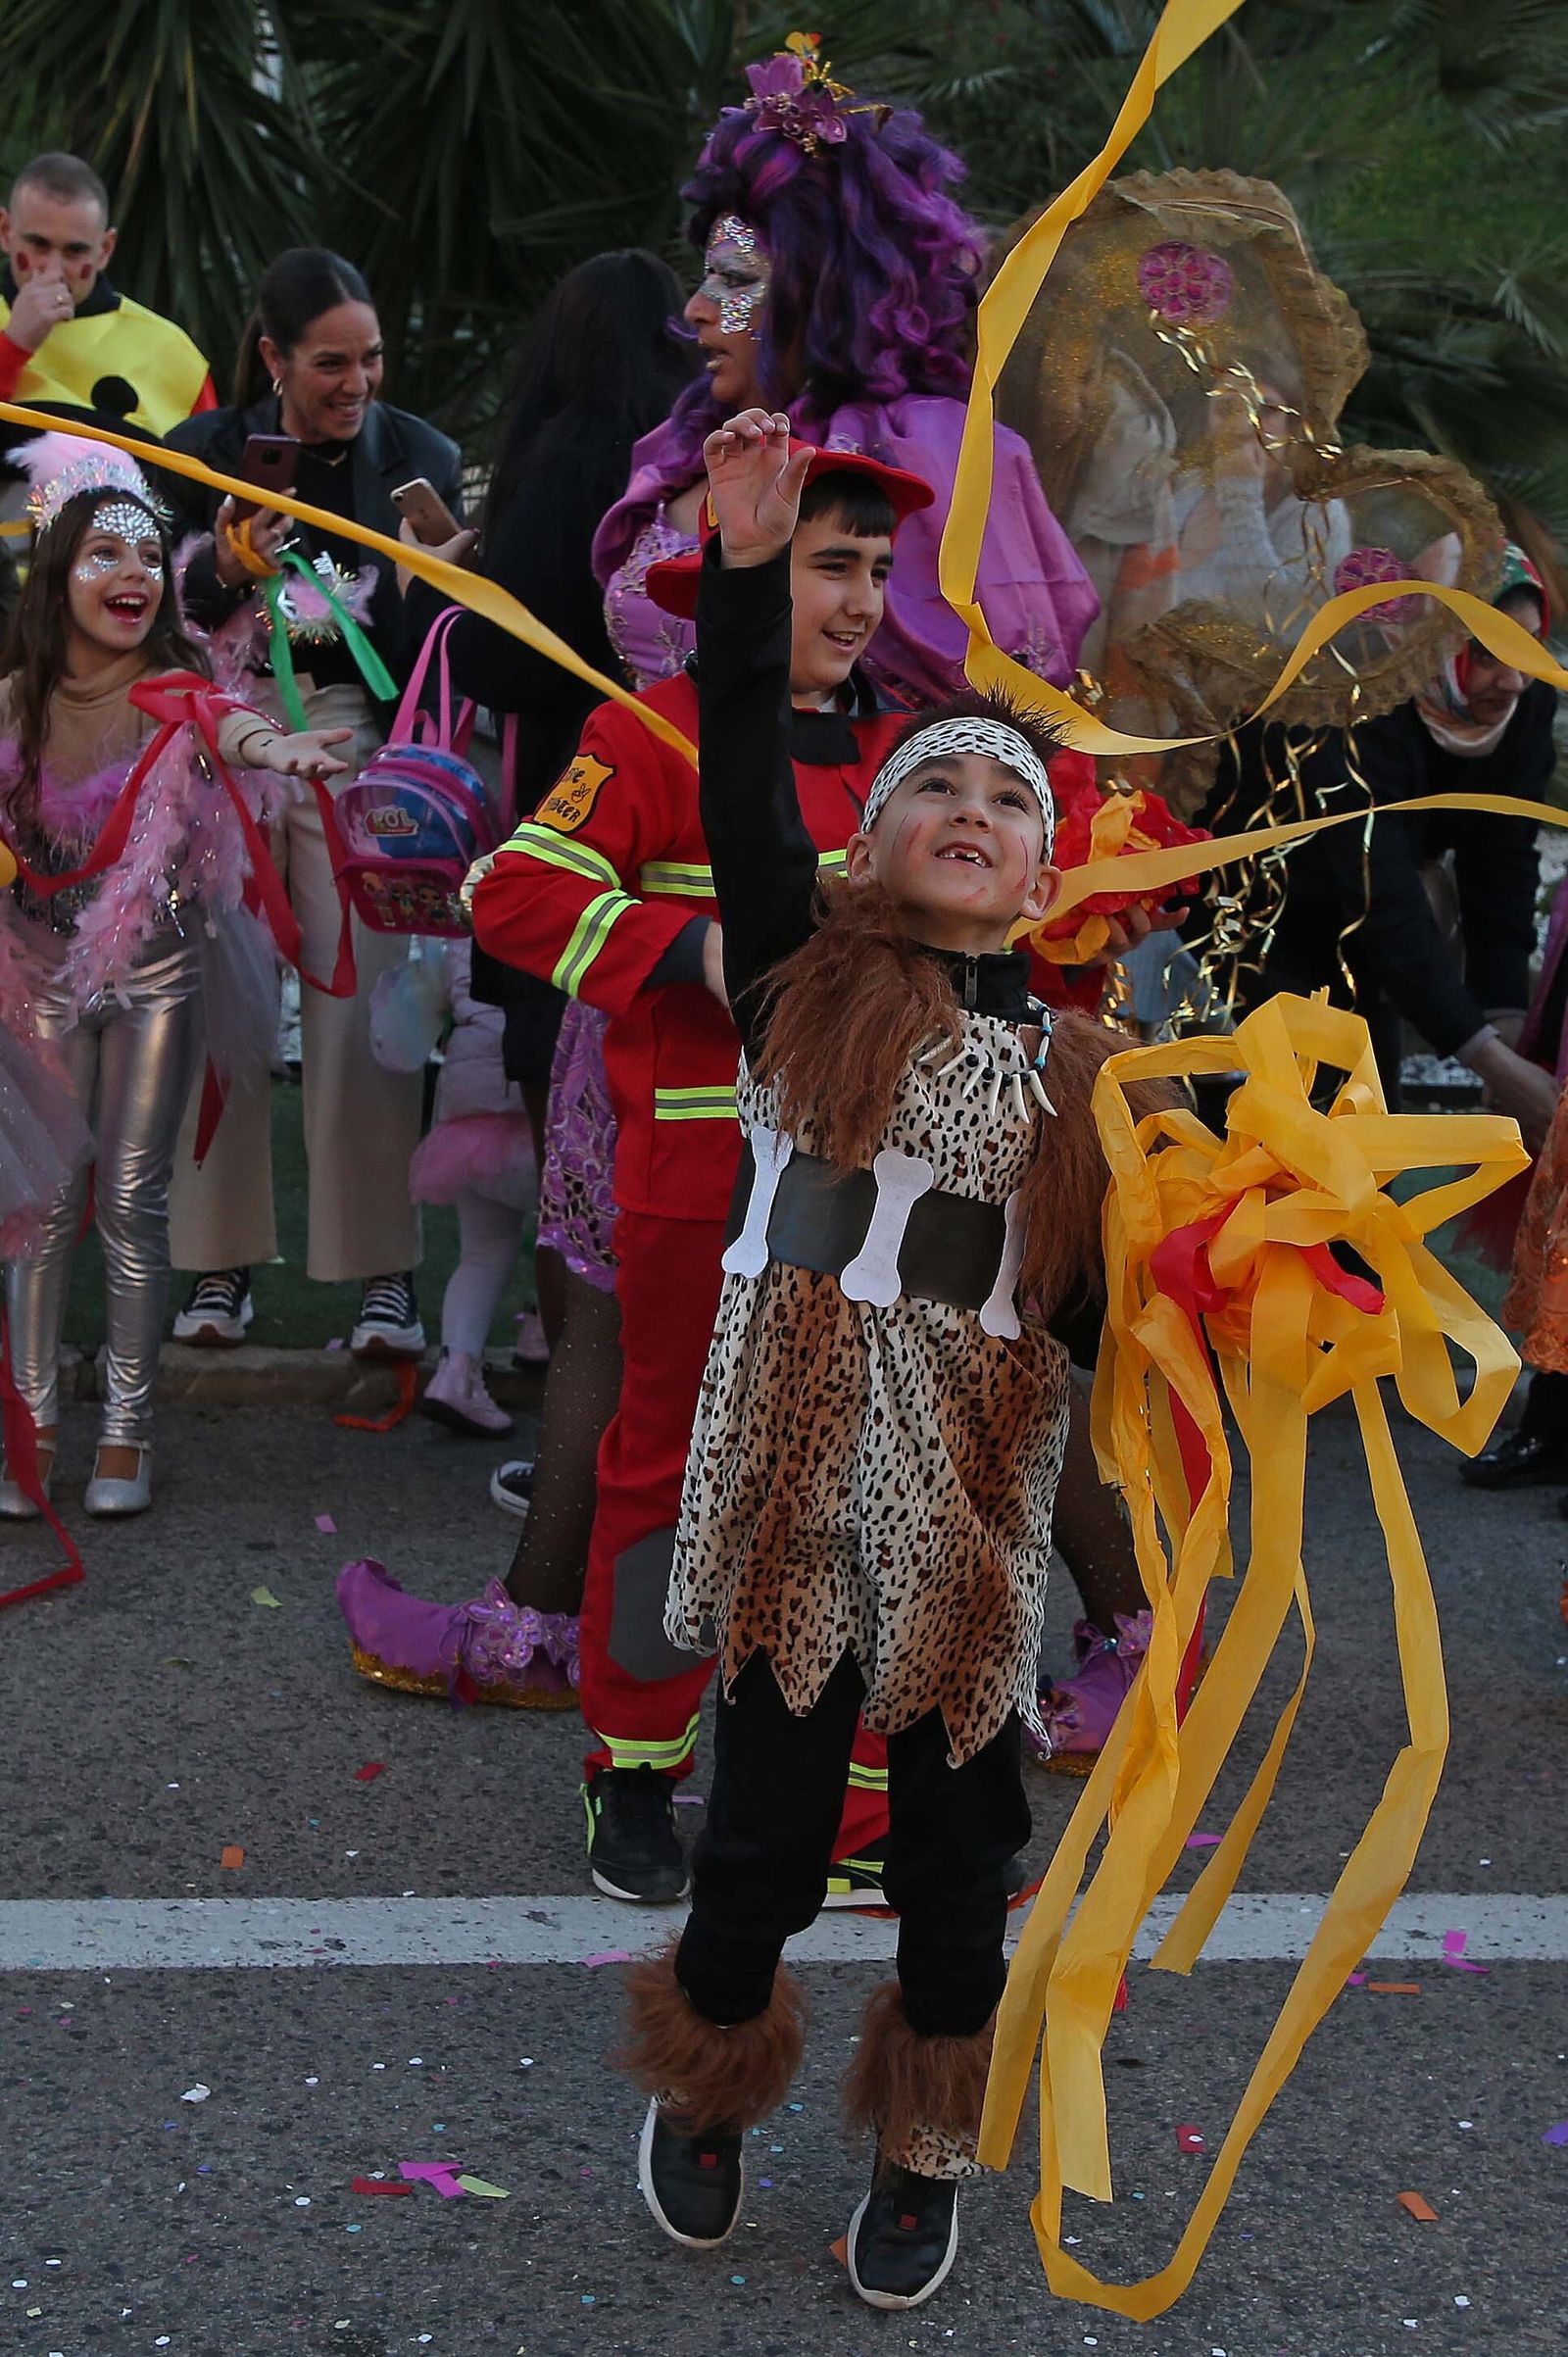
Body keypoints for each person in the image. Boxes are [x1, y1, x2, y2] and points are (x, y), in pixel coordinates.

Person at [618, 409, 1169, 2310]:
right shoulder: (801, 979)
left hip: (964, 1521)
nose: (971, 806)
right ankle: (705, 2079)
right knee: (757, 1836)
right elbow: (744, 794)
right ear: (875, 841)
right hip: (784, 1491)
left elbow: (1105, 1330)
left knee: (955, 1856)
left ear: (1042, 870)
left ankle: (926, 2138)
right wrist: (748, 577)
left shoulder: (1093, 1080)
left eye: (1008, 797)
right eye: (934, 780)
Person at [339, 446, 925, 1850]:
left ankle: (840, 1807)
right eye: (829, 567)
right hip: (698, 1182)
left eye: (877, 575)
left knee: (844, 1485)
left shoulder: (913, 759)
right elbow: (516, 893)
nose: (858, 604)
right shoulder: (653, 735)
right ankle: (640, 1769)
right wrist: (692, 946)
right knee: (664, 1472)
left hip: (869, 1195)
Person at [399, 250, 696, 1600]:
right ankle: (639, 1468)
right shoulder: (692, 463)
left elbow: (509, 653)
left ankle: (592, 1490)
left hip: (581, 838)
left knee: (594, 1201)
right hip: (701, 844)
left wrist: (450, 580)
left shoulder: (580, 453)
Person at [0, 434, 350, 1518]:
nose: (131, 576)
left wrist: (275, 747)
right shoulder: (15, 700)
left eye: (147, 559)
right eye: (103, 553)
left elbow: (229, 723)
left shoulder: (174, 692)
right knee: (43, 1208)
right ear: (56, 575)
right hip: (41, 975)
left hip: (156, 973)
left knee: (134, 1203)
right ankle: (33, 1425)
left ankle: (126, 1430)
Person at [161, 248, 465, 1357]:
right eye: (329, 362)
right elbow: (160, 614)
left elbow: (442, 634)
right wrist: (230, 567)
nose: (356, 382)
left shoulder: (418, 455)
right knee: (224, 1003)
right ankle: (217, 1265)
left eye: (371, 357)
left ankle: (384, 1272)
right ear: (272, 360)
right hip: (224, 744)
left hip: (354, 741)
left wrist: (450, 574)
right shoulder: (197, 455)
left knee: (370, 1007)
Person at [593, 41, 1096, 708]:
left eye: (736, 281)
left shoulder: (930, 454)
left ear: (824, 297)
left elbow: (1000, 705)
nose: (696, 310)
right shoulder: (689, 448)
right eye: (704, 279)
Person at [1204, 546, 1558, 1140]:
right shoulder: (1359, 698)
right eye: (1492, 653)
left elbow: (1502, 858)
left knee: (1369, 1126)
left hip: (1367, 898)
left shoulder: (1524, 704)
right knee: (1314, 1114)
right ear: (1436, 645)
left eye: (1527, 650)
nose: (1514, 681)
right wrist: (1488, 1057)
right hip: (1265, 898)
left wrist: (1508, 1020)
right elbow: (1379, 893)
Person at [368, 937, 536, 1439]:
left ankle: (455, 1371)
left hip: (467, 1117)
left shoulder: (459, 936)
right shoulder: (567, 907)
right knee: (568, 1237)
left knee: (483, 1251)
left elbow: (399, 1030)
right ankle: (542, 1332)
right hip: (537, 1101)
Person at [0, 154, 217, 434]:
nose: (54, 268)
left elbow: (211, 467)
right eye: (38, 245)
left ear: (104, 249)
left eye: (74, 251)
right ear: (5, 232)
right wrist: (14, 345)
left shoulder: (172, 352)